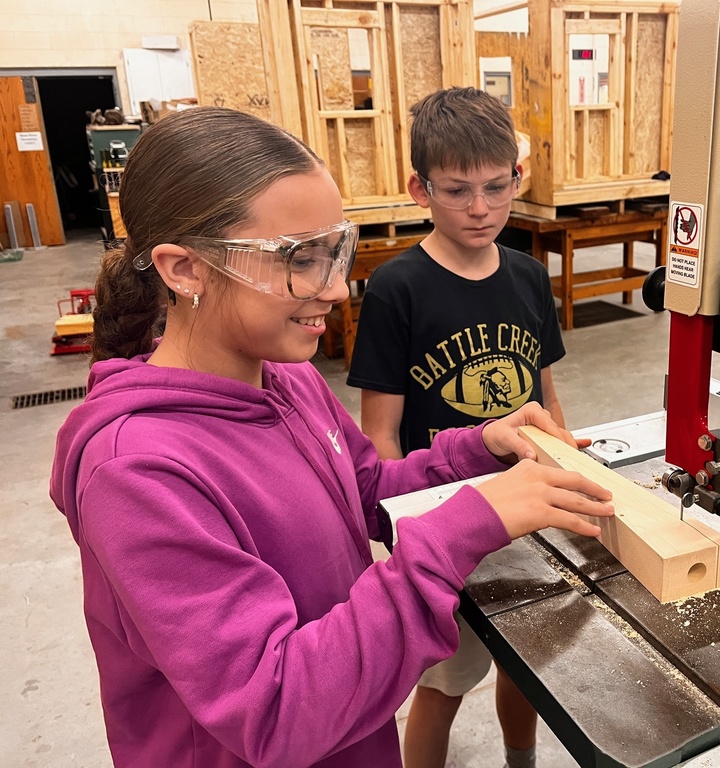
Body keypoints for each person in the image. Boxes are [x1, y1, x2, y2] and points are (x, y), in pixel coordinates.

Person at [48, 106, 614, 768]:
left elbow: (367, 489)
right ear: (185, 269)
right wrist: (465, 526)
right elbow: (276, 709)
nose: (337, 288)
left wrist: (479, 447)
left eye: (335, 252)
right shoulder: (139, 474)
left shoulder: (287, 382)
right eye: (301, 259)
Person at [345, 87, 566, 768]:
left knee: (525, 660)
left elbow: (545, 393)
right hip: (444, 522)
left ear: (517, 179)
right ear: (420, 188)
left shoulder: (529, 276)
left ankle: (520, 761)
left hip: (527, 509)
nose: (480, 208)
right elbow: (380, 432)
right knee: (443, 680)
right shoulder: (397, 287)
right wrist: (392, 533)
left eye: (497, 188)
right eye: (457, 190)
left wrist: (571, 469)